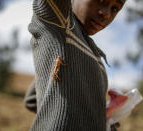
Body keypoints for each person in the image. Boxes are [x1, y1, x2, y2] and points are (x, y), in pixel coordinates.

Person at [24, 0, 126, 130]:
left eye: (115, 9)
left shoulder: (96, 56)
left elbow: (32, 99)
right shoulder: (59, 23)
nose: (106, 14)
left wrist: (102, 121)